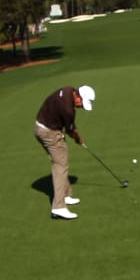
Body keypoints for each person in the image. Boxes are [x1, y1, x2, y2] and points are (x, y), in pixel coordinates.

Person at [34, 85, 96, 220]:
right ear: (79, 96)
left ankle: (66, 195)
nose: (80, 107)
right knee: (60, 166)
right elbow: (71, 130)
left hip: (41, 127)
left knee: (61, 162)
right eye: (82, 104)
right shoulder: (68, 110)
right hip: (49, 132)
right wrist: (79, 139)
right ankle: (59, 207)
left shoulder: (69, 90)